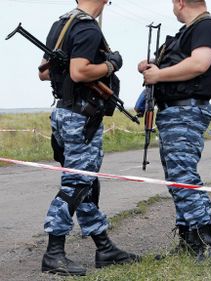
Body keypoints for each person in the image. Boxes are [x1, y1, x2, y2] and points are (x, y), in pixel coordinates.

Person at [38, 0, 139, 276]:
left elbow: (44, 72)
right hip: (81, 118)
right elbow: (79, 71)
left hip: (64, 113)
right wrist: (110, 64)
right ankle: (54, 252)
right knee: (76, 184)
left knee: (86, 184)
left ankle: (104, 247)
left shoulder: (61, 24)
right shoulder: (87, 28)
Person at [138, 0, 211, 263]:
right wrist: (150, 66)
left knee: (184, 176)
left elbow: (199, 64)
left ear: (179, 2)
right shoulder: (188, 31)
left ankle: (206, 244)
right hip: (172, 111)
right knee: (176, 177)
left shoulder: (207, 27)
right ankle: (188, 240)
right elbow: (181, 62)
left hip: (186, 110)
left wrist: (159, 75)